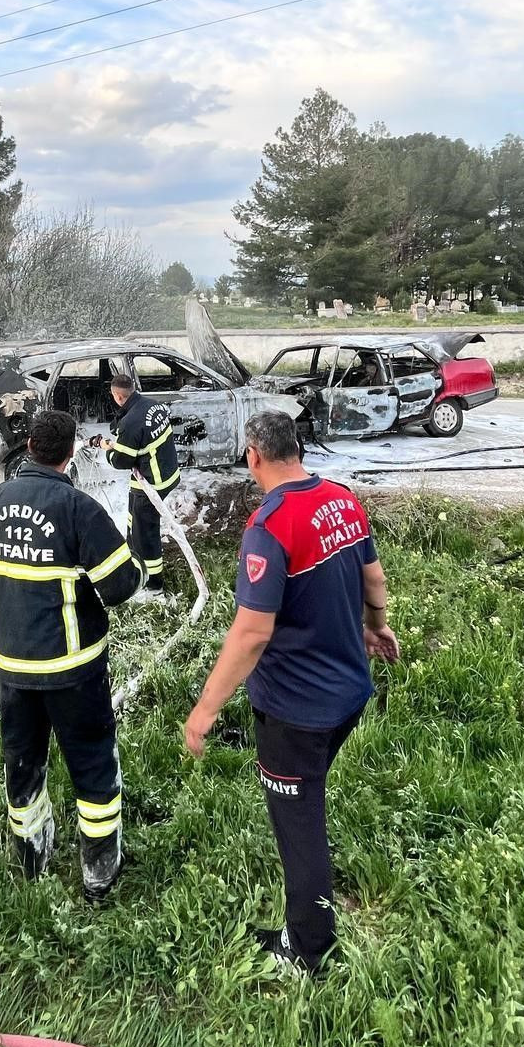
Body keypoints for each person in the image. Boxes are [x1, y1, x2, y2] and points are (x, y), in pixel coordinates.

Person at [183, 410, 399, 973]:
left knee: (299, 826)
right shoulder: (343, 500)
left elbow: (252, 631)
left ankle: (308, 949)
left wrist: (204, 710)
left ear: (253, 456)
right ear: (297, 450)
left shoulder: (269, 526)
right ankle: (312, 921)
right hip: (350, 691)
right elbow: (373, 579)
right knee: (310, 793)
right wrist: (376, 625)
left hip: (297, 710)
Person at [0, 409, 142, 899]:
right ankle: (99, 875)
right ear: (69, 454)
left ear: (29, 448)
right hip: (73, 671)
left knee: (22, 763)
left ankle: (33, 859)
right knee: (92, 765)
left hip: (13, 669)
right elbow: (121, 583)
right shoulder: (77, 508)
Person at [91, 371, 180, 592]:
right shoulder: (152, 405)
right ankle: (134, 556)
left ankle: (153, 584)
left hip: (152, 483)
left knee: (145, 532)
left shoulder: (131, 424)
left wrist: (108, 449)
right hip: (167, 471)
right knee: (135, 520)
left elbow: (121, 460)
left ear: (118, 396)